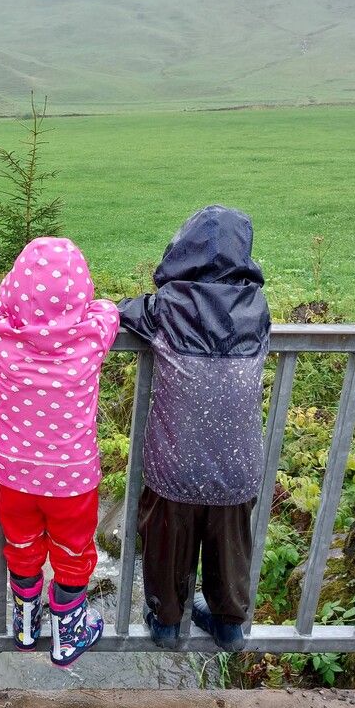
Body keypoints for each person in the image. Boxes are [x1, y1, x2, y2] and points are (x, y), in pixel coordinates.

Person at [118, 205, 271, 653]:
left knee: (167, 543)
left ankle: (165, 622)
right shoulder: (257, 310)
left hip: (175, 464)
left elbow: (126, 313)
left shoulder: (167, 308)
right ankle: (229, 624)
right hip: (237, 466)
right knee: (230, 549)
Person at [0, 237, 119, 666]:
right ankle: (67, 635)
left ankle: (26, 623)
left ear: (15, 290)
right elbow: (109, 309)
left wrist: (2, 306)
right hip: (72, 479)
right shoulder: (92, 336)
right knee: (72, 551)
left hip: (14, 475)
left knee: (21, 543)